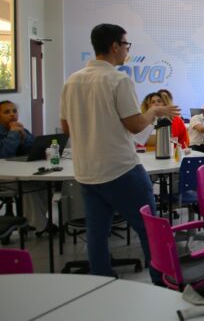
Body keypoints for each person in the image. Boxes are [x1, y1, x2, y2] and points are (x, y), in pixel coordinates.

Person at [60, 23, 179, 284]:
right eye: (126, 44)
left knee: (97, 234)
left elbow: (66, 127)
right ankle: (163, 284)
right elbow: (135, 125)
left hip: (87, 173)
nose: (127, 50)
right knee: (150, 229)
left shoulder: (72, 80)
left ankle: (101, 282)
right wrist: (154, 111)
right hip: (121, 170)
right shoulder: (118, 79)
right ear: (115, 46)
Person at [0, 100, 51, 235]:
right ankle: (40, 224)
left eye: (14, 111)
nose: (12, 114)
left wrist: (24, 138)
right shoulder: (11, 131)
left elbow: (34, 150)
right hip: (4, 177)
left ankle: (36, 220)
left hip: (20, 172)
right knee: (29, 187)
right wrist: (13, 135)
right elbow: (4, 154)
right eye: (6, 112)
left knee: (47, 182)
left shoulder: (20, 129)